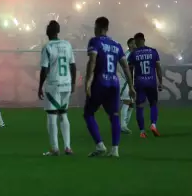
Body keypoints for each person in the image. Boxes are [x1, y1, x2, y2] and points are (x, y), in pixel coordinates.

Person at [84, 17, 135, 157]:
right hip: (114, 83)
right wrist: (131, 86)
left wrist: (88, 81)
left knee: (88, 113)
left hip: (100, 82)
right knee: (114, 116)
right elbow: (125, 66)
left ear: (98, 27)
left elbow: (92, 61)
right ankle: (115, 150)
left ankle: (100, 146)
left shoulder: (95, 41)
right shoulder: (116, 45)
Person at [37, 20, 76, 156]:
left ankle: (54, 148)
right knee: (63, 114)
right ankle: (68, 147)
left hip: (53, 84)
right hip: (66, 83)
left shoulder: (47, 47)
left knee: (52, 115)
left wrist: (40, 86)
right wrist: (73, 84)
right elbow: (73, 65)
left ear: (48, 31)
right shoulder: (67, 44)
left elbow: (44, 68)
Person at [127, 33, 162, 138]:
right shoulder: (153, 51)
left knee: (140, 107)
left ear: (137, 41)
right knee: (153, 104)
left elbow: (130, 70)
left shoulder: (133, 54)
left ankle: (142, 131)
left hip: (139, 83)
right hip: (151, 82)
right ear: (144, 40)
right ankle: (153, 125)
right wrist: (160, 82)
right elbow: (158, 68)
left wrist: (130, 86)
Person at [120, 38, 137, 133]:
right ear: (130, 44)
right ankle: (123, 125)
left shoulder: (136, 54)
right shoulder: (126, 55)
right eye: (133, 43)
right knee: (127, 101)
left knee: (131, 104)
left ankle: (124, 124)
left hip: (133, 81)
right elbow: (122, 67)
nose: (135, 45)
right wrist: (126, 78)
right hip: (126, 81)